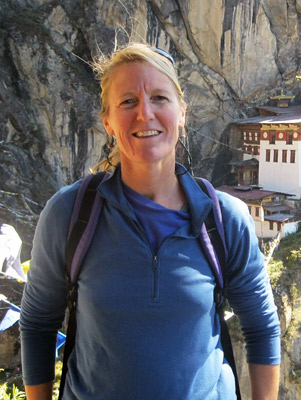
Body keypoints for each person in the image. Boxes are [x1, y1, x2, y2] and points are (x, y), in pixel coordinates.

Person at [20, 43, 281, 400]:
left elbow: (262, 327)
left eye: (159, 97)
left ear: (182, 112)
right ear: (108, 121)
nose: (145, 114)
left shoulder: (223, 220)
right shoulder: (70, 214)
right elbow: (38, 324)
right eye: (128, 101)